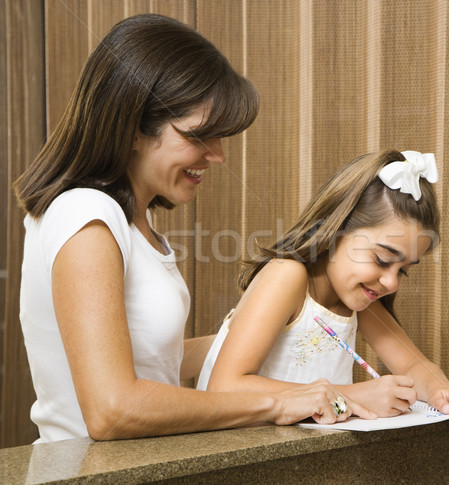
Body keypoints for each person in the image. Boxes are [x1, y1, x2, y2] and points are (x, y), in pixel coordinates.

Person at [13, 13, 370, 444]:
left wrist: (271, 331)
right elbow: (113, 410)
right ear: (133, 129)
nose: (217, 156)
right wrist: (280, 402)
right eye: (200, 135)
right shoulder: (85, 216)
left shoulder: (134, 223)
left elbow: (155, 361)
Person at [197, 149, 449, 428]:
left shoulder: (357, 298)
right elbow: (224, 387)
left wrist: (442, 391)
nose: (391, 282)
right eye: (382, 259)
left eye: (403, 271)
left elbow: (413, 365)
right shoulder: (287, 275)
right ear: (335, 231)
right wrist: (352, 395)